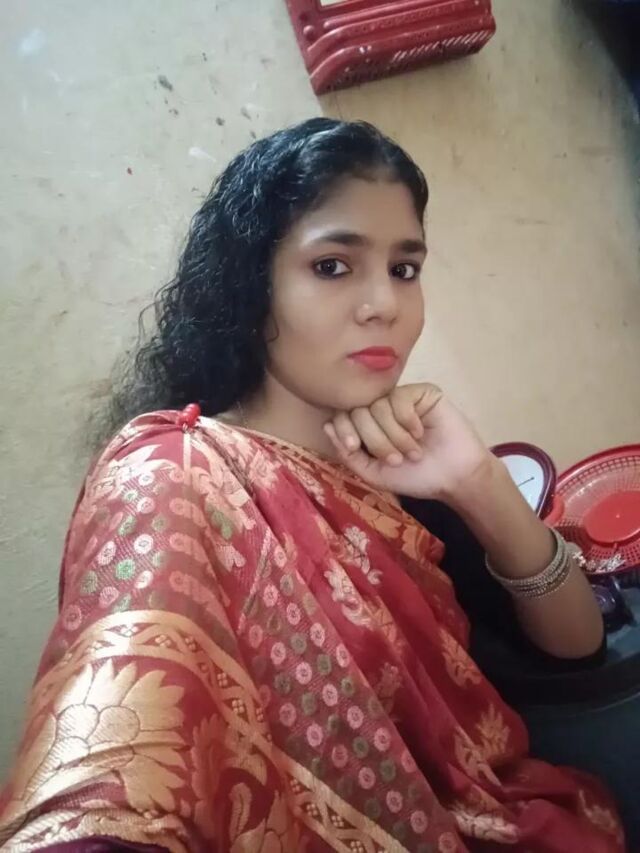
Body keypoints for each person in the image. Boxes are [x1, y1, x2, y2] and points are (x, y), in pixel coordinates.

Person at [0, 119, 625, 852]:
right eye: (333, 266)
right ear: (251, 286)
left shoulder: (402, 461)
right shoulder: (174, 478)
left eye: (405, 268)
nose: (384, 303)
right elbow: (107, 786)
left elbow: (577, 647)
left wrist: (478, 482)